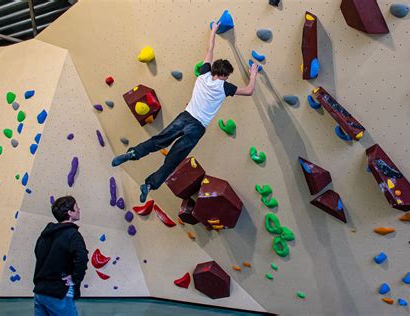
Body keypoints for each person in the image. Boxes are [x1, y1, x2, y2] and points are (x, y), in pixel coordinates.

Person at [112, 21, 259, 203]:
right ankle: (150, 184)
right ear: (225, 75)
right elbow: (248, 90)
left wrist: (213, 30)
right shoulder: (225, 87)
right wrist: (253, 74)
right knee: (173, 159)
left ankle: (133, 153)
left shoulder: (204, 74)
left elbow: (210, 49)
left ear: (213, 69)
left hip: (185, 117)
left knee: (158, 141)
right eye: (227, 75)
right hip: (197, 127)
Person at [33, 196, 88, 316]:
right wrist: (75, 278)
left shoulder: (45, 235)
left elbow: (38, 253)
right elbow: (82, 257)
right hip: (59, 293)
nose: (79, 209)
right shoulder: (73, 234)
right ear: (70, 213)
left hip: (40, 292)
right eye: (76, 207)